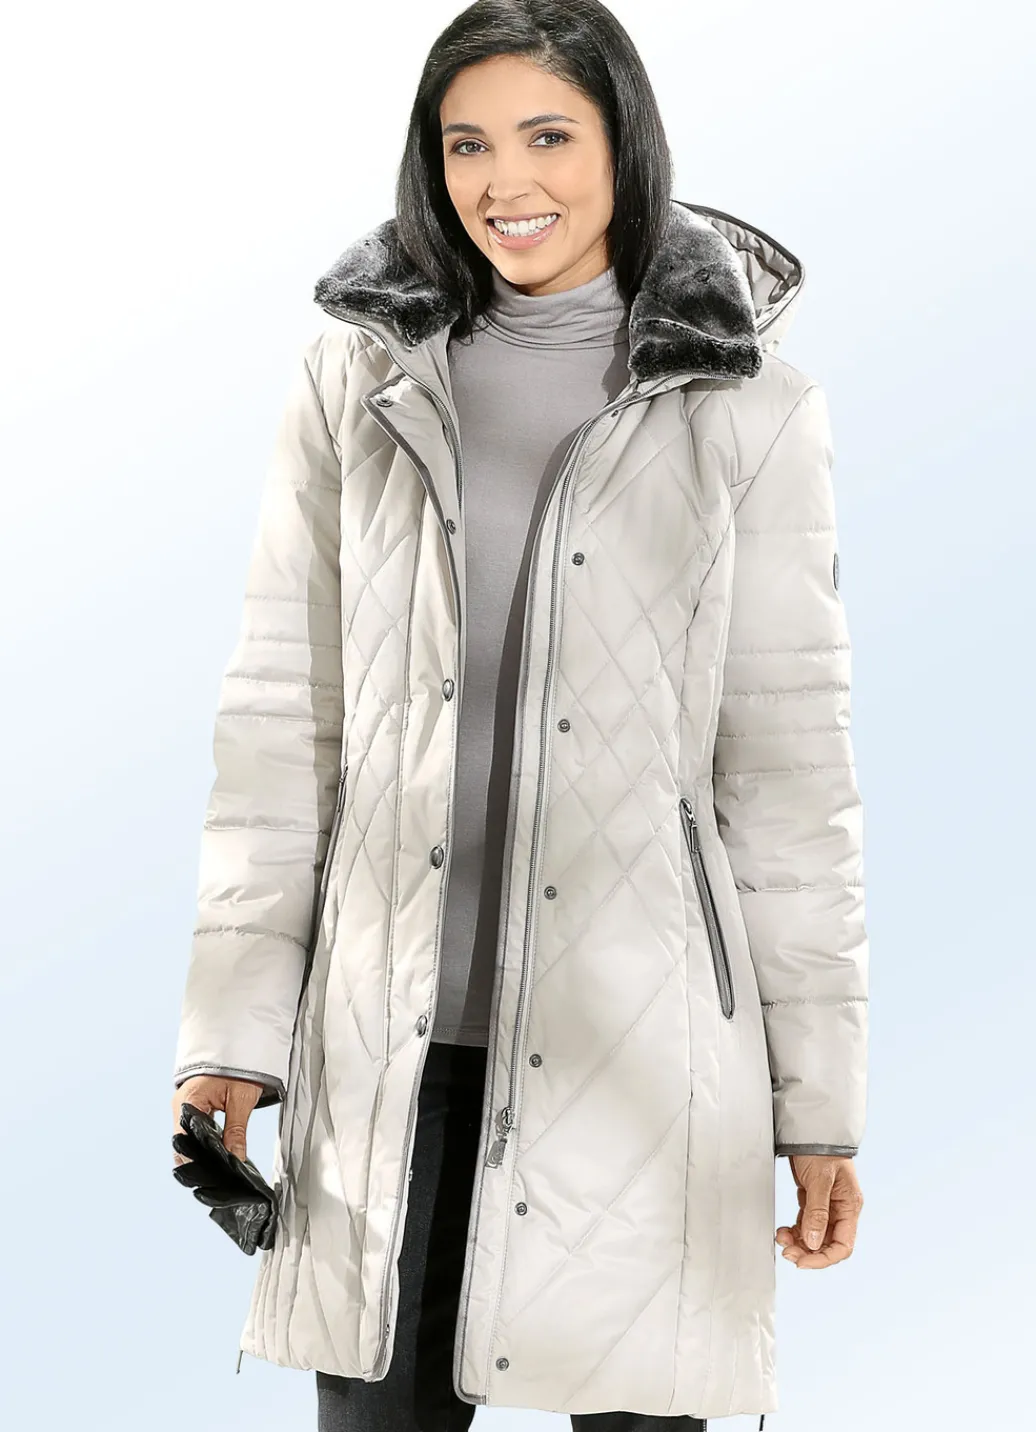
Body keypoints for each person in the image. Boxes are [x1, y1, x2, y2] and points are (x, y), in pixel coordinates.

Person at [170, 1, 868, 1428]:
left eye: (549, 136)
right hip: (390, 1053)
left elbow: (787, 773)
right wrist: (230, 1034)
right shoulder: (358, 379)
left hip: (650, 1060)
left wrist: (819, 1108)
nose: (507, 182)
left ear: (625, 145)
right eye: (468, 144)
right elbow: (283, 726)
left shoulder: (747, 410)